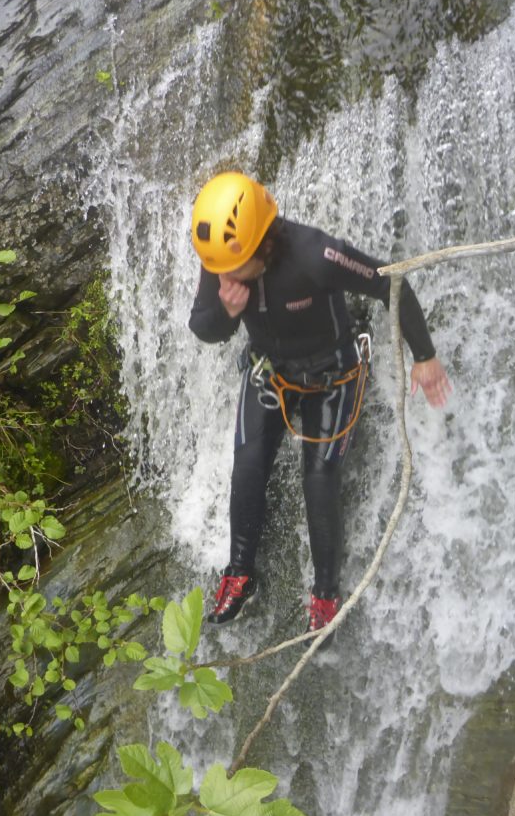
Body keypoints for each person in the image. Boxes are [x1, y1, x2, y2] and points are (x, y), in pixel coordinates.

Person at [188, 171, 451, 636]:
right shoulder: (224, 256)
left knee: (318, 478)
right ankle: (240, 572)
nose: (224, 277)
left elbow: (391, 283)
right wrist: (228, 310)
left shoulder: (315, 254)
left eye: (235, 268)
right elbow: (203, 326)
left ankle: (326, 594)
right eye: (220, 271)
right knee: (247, 464)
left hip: (334, 375)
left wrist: (424, 356)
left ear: (263, 244)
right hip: (270, 369)